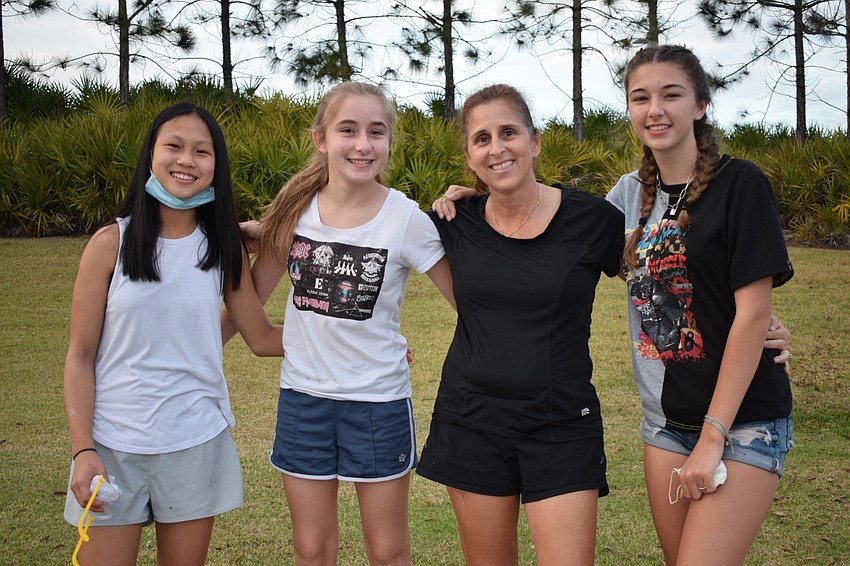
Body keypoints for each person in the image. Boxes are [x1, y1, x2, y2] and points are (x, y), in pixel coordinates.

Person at [225, 81, 454, 566]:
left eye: (376, 132)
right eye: (347, 130)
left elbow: (468, 302)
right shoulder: (291, 214)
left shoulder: (406, 219)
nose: (362, 144)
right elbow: (249, 304)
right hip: (303, 402)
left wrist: (473, 203)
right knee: (311, 549)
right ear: (321, 139)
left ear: (389, 142)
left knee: (388, 552)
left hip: (378, 404)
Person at [63, 102, 284, 566]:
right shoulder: (110, 244)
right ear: (151, 156)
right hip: (111, 443)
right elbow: (80, 357)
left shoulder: (224, 249)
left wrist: (358, 340)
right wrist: (83, 450)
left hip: (194, 441)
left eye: (202, 151)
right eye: (175, 146)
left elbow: (261, 339)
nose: (187, 160)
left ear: (215, 167)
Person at [417, 84, 624, 566]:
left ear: (534, 141)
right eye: (482, 139)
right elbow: (363, 228)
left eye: (508, 132)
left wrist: (754, 319)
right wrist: (257, 231)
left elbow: (661, 277)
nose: (497, 147)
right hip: (471, 421)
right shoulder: (454, 219)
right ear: (469, 157)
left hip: (561, 423)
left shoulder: (592, 219)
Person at [603, 44, 795, 565]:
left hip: (741, 420)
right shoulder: (626, 196)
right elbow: (542, 225)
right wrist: (476, 196)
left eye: (671, 95)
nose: (655, 110)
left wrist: (713, 438)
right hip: (664, 423)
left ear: (700, 105)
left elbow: (752, 314)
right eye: (640, 98)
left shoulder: (741, 184)